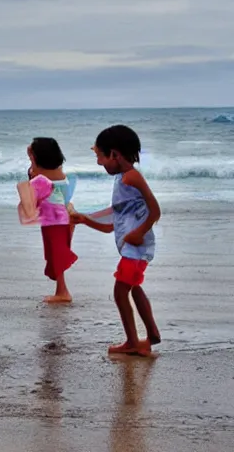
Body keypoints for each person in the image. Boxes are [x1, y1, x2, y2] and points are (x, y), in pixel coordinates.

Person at [71, 125, 161, 356]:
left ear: (115, 154)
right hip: (133, 248)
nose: (99, 163)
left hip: (136, 248)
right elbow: (113, 223)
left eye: (100, 156)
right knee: (133, 287)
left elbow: (155, 210)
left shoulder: (131, 177)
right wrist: (84, 219)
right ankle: (151, 334)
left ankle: (133, 342)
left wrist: (139, 233)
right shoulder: (123, 179)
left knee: (121, 292)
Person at [18, 138, 78, 303]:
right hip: (63, 218)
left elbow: (33, 194)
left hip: (54, 221)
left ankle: (63, 292)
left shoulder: (41, 178)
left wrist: (31, 174)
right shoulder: (60, 173)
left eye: (32, 157)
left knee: (56, 254)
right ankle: (61, 290)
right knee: (55, 253)